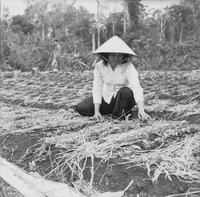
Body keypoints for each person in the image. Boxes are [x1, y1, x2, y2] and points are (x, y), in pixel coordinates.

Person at [75, 36, 150, 121]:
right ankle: (112, 111)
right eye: (113, 55)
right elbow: (97, 87)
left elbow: (136, 87)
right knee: (81, 107)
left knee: (126, 91)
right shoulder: (100, 66)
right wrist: (96, 111)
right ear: (107, 55)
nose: (116, 58)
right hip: (106, 97)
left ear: (124, 56)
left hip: (122, 99)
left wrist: (141, 110)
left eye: (119, 55)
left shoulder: (128, 66)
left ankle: (118, 115)